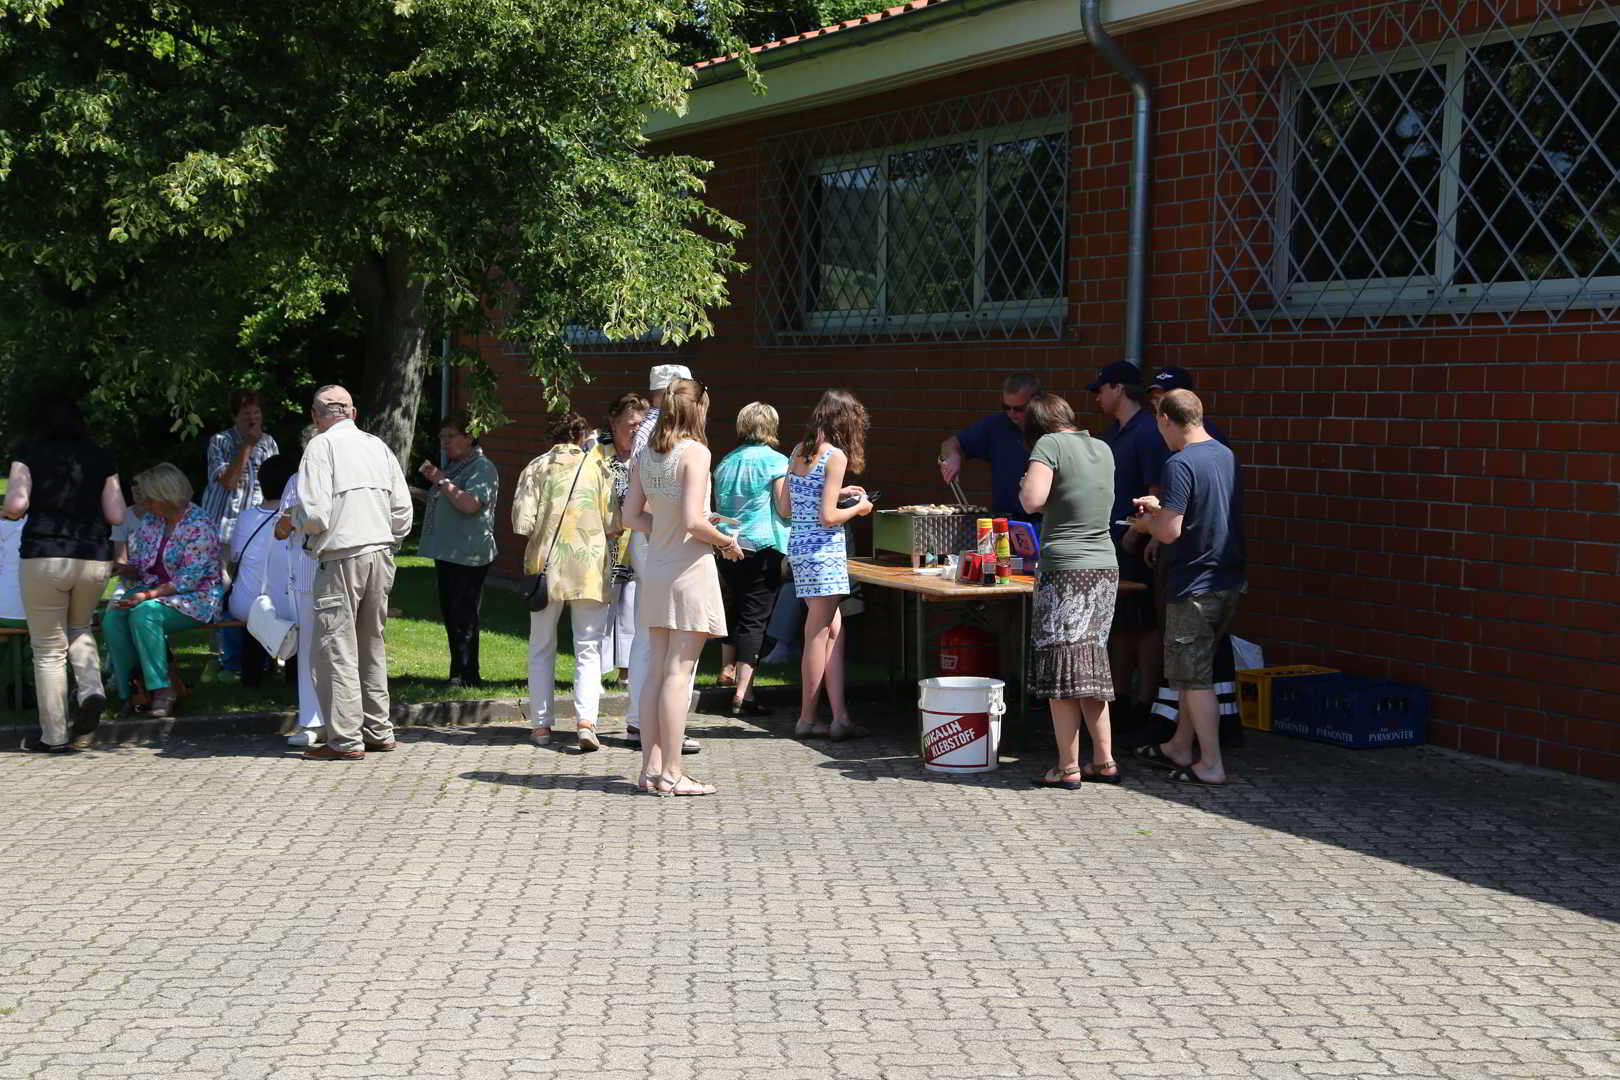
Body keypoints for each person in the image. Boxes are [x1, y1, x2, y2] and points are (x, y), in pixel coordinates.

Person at [622, 378, 740, 795]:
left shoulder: (647, 453)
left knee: (657, 670)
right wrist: (726, 541)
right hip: (689, 568)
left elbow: (631, 516)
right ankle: (672, 772)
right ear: (698, 409)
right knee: (679, 672)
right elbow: (693, 520)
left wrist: (667, 529)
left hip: (657, 566)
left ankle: (651, 768)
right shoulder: (696, 452)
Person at [290, 385, 413, 761]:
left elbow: (315, 515)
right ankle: (378, 730)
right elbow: (403, 513)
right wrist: (382, 536)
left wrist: (295, 521)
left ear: (316, 416)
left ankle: (344, 739)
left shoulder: (320, 447)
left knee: (336, 647)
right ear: (353, 413)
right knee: (371, 644)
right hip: (380, 552)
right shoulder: (378, 446)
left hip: (342, 554)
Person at [1130, 389, 1246, 785]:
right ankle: (1180, 745)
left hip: (1194, 582)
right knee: (1192, 669)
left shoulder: (1178, 463)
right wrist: (1161, 508)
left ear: (1165, 419)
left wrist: (1146, 523)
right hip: (1227, 577)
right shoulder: (1223, 454)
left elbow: (1170, 531)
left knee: (1194, 680)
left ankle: (1211, 763)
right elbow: (1203, 509)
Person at [5, 396, 124, 752]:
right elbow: (116, 514)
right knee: (79, 628)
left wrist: (7, 515)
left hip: (44, 556)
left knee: (47, 650)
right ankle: (91, 690)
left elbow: (16, 505)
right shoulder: (101, 456)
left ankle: (54, 737)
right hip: (92, 558)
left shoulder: (27, 453)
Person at [1018, 393, 1119, 789]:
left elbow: (1032, 500)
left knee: (1061, 667)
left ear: (1037, 426)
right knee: (1090, 661)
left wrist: (1028, 482)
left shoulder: (1049, 444)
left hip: (1065, 568)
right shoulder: (1103, 447)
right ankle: (1106, 760)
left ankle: (1068, 767)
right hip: (1104, 566)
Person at [512, 411, 615, 751]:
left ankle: (541, 726)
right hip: (589, 565)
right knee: (588, 648)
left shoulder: (535, 467)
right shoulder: (598, 468)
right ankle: (586, 722)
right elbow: (614, 521)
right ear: (581, 435)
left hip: (544, 566)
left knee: (541, 646)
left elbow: (521, 523)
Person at [778, 389, 873, 740]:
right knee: (818, 633)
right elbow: (830, 516)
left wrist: (841, 491)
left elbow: (786, 508)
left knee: (833, 630)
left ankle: (839, 718)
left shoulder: (797, 451)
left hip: (800, 549)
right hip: (824, 552)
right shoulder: (836, 455)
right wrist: (859, 508)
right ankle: (807, 717)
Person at [104, 463, 224, 720]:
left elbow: (190, 579)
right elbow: (144, 564)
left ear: (167, 497)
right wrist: (122, 569)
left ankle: (162, 689)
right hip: (153, 589)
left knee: (145, 614)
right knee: (113, 618)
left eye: (150, 500)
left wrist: (146, 596)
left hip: (197, 597)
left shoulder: (200, 525)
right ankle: (130, 691)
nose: (145, 505)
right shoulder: (151, 520)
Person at [1089, 360, 1169, 733]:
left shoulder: (1147, 433)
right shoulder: (1113, 434)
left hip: (1134, 540)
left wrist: (1140, 533)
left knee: (1145, 622)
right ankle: (1119, 696)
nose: (1098, 397)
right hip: (1112, 541)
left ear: (1119, 388)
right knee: (1118, 621)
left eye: (1101, 389)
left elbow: (1158, 491)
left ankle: (1144, 701)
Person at [625, 363, 699, 753]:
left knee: (652, 636)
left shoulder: (645, 431)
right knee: (675, 650)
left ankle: (644, 724)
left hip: (649, 533)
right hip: (670, 540)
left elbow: (631, 505)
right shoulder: (675, 436)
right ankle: (660, 729)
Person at [712, 402, 790, 719]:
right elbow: (784, 508)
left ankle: (726, 671)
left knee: (733, 611)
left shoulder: (726, 461)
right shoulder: (776, 461)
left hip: (728, 543)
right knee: (755, 619)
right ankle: (744, 695)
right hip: (763, 545)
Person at [414, 410, 499, 687]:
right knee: (452, 613)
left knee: (464, 615)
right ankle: (457, 672)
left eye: (450, 437)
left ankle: (468, 675)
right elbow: (447, 499)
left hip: (469, 554)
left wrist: (440, 479)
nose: (444, 443)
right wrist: (416, 493)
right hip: (450, 552)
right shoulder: (456, 466)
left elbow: (470, 504)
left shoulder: (481, 467)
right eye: (442, 437)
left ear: (469, 437)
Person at [200, 389, 279, 675]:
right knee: (222, 592)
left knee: (258, 592)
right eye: (246, 413)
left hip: (258, 530)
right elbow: (229, 482)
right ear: (235, 416)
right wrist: (245, 446)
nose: (252, 418)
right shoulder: (220, 442)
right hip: (223, 529)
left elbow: (277, 488)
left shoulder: (270, 443)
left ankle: (264, 656)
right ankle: (225, 657)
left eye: (256, 412)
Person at [225, 454, 295, 688]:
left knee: (256, 605)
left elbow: (234, 559)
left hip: (246, 605)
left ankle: (251, 676)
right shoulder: (299, 521)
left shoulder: (245, 518)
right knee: (296, 611)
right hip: (287, 608)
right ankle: (294, 678)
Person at [273, 427, 323, 747]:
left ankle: (343, 720)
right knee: (309, 650)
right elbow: (280, 530)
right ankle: (313, 721)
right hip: (308, 575)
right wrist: (290, 518)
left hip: (341, 570)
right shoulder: (297, 480)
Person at [937, 373, 1041, 518]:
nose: (1011, 414)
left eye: (1019, 409)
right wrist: (953, 455)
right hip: (1005, 519)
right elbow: (950, 443)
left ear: (1035, 402)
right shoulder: (997, 425)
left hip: (1043, 520)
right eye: (1006, 407)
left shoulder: (1047, 428)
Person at [602, 392, 649, 683]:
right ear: (613, 421)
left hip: (636, 542)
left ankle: (627, 672)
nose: (636, 430)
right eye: (631, 424)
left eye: (640, 425)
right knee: (602, 609)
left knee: (632, 609)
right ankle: (594, 671)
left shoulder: (644, 455)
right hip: (603, 542)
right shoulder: (598, 454)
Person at [1149, 367, 1230, 447]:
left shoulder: (1208, 435)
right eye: (1156, 398)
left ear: (1188, 398)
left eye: (1168, 398)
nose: (1160, 404)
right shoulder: (1148, 432)